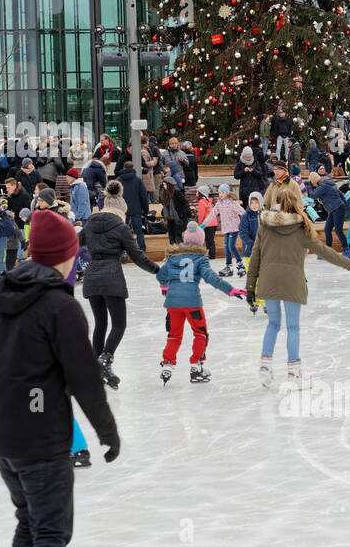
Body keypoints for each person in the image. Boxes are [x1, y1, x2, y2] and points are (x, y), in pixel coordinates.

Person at [0, 208, 119, 547]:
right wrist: (107, 432)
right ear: (66, 257)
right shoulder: (61, 306)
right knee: (49, 533)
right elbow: (85, 380)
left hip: (1, 442)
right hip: (41, 444)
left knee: (30, 524)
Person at [247, 182, 350, 387]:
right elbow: (325, 251)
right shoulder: (302, 228)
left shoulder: (265, 226)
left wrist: (250, 287)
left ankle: (265, 365)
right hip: (292, 282)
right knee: (292, 327)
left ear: (276, 204)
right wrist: (348, 264)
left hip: (268, 280)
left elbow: (255, 257)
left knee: (273, 323)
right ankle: (294, 372)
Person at [79, 193, 158, 389]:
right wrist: (157, 270)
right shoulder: (121, 228)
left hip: (92, 278)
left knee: (100, 324)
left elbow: (71, 244)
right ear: (120, 211)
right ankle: (105, 359)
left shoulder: (88, 225)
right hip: (111, 278)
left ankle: (96, 368)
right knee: (119, 324)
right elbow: (138, 256)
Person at [156, 221, 244, 383]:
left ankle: (168, 364)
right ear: (200, 241)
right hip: (192, 303)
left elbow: (161, 275)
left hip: (173, 304)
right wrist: (230, 290)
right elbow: (211, 278)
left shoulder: (173, 257)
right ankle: (196, 366)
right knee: (200, 333)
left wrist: (165, 288)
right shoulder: (200, 259)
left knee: (174, 334)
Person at [205, 183, 245, 277]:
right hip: (226, 229)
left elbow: (243, 212)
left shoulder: (232, 203)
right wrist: (204, 224)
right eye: (219, 192)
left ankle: (240, 265)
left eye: (222, 192)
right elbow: (212, 214)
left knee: (231, 247)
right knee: (226, 248)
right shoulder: (219, 203)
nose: (221, 194)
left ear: (227, 193)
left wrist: (249, 221)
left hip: (234, 228)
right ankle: (229, 267)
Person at [308, 169, 349, 257]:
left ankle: (346, 250)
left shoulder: (323, 186)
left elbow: (313, 196)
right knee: (327, 229)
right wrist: (345, 203)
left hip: (337, 208)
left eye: (311, 182)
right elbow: (339, 193)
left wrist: (310, 188)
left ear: (314, 180)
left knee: (338, 230)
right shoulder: (328, 183)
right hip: (334, 209)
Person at [116, 162, 149, 251]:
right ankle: (142, 250)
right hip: (136, 209)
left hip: (122, 211)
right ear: (133, 168)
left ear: (123, 168)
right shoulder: (138, 180)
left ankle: (123, 251)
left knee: (122, 232)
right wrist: (146, 210)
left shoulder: (118, 180)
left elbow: (115, 196)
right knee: (139, 231)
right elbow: (143, 196)